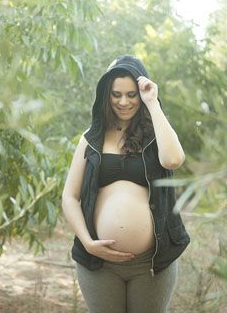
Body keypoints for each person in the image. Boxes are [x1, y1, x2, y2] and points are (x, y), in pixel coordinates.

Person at [61, 55, 190, 313]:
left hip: (150, 263)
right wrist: (87, 242)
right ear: (106, 95)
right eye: (116, 94)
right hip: (99, 263)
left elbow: (174, 159)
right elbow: (69, 197)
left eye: (132, 94)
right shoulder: (92, 137)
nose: (123, 101)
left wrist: (152, 103)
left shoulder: (157, 135)